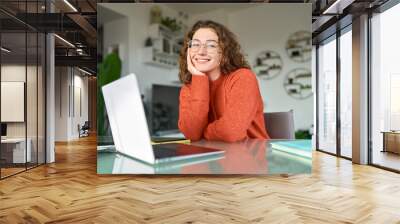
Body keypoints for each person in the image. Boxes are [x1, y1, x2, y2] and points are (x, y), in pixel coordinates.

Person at [178, 20, 270, 142]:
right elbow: (192, 134)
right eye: (195, 44)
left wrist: (204, 132)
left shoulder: (243, 77)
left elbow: (230, 131)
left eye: (211, 45)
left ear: (224, 52)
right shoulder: (189, 88)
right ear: (188, 51)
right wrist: (199, 78)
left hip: (251, 154)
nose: (201, 51)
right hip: (212, 155)